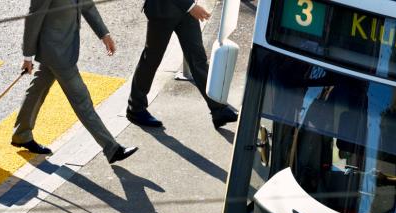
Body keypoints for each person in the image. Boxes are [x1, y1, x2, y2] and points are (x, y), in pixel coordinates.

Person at [12, 0, 137, 164]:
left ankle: (21, 135)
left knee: (37, 91)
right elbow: (34, 18)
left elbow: (87, 5)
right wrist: (27, 57)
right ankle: (112, 148)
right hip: (56, 53)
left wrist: (104, 34)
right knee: (82, 100)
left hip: (63, 48)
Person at [127, 0, 238, 129]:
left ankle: (218, 109)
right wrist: (190, 6)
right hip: (163, 9)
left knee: (198, 59)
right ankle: (135, 108)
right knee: (151, 59)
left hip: (186, 10)